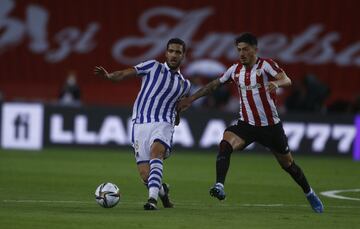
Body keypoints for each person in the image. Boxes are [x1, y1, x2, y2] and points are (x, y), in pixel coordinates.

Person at [177, 33, 324, 213]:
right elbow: (214, 85)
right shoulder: (235, 70)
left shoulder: (266, 65)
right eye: (239, 50)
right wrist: (191, 99)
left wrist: (277, 84)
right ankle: (219, 185)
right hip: (246, 125)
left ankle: (309, 193)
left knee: (288, 165)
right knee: (225, 144)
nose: (241, 53)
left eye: (245, 49)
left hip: (270, 127)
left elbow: (287, 79)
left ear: (255, 49)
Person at [94, 38, 191, 210]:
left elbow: (178, 109)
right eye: (171, 51)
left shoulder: (184, 85)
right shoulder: (153, 66)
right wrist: (109, 76)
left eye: (178, 52)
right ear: (166, 52)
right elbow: (125, 73)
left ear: (183, 55)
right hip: (140, 123)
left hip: (163, 123)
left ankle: (151, 200)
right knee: (146, 175)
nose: (174, 55)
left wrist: (176, 118)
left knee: (156, 153)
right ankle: (163, 193)